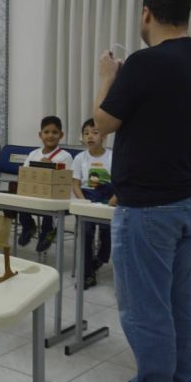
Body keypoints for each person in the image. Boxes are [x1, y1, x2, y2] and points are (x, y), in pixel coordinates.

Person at [93, 0, 191, 382]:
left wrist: (108, 76)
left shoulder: (145, 63)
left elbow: (102, 123)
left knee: (146, 312)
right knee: (180, 304)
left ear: (146, 13)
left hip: (148, 209)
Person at [71, 118, 117, 289]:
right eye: (86, 133)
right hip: (87, 197)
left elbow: (120, 182)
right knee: (86, 233)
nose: (90, 136)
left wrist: (114, 199)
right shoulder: (79, 158)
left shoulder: (113, 156)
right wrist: (83, 201)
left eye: (95, 133)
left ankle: (100, 259)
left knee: (107, 232)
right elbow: (75, 184)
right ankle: (87, 274)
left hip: (108, 197)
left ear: (104, 136)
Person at [17, 116, 73, 252]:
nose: (50, 135)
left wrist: (51, 166)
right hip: (35, 193)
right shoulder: (33, 154)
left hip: (55, 196)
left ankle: (48, 231)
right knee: (19, 199)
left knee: (50, 202)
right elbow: (25, 173)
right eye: (46, 132)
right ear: (40, 135)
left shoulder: (65, 156)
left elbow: (65, 180)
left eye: (55, 132)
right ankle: (28, 226)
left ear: (61, 135)